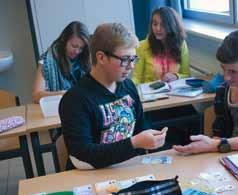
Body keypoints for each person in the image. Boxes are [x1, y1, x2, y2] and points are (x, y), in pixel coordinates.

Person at [59, 23, 167, 169]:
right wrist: (134, 143)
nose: (131, 66)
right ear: (101, 58)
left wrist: (152, 138)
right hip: (90, 174)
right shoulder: (75, 100)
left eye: (133, 59)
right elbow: (84, 154)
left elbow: (141, 126)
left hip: (127, 167)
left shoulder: (128, 87)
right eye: (125, 59)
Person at [32, 21, 91, 103]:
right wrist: (62, 94)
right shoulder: (47, 61)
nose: (77, 51)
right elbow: (36, 95)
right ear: (64, 40)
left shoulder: (85, 59)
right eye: (74, 46)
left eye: (81, 48)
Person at [132, 6, 190, 84]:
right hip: (150, 94)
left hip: (175, 93)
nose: (158, 28)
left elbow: (187, 75)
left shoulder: (181, 44)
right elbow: (137, 78)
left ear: (171, 26)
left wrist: (176, 76)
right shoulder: (142, 46)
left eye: (163, 25)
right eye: (155, 24)